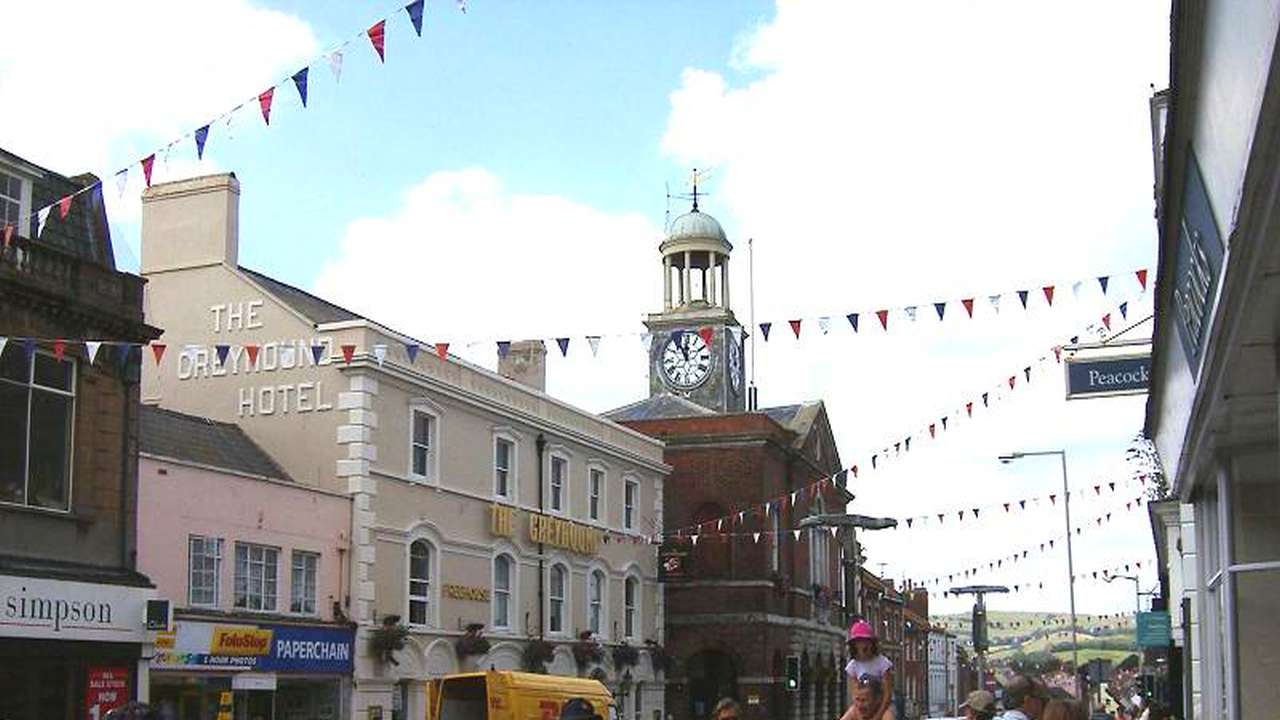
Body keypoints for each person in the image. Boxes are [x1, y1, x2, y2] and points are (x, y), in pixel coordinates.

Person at [838, 620, 894, 720]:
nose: (863, 644)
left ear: (872, 643)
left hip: (882, 705)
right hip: (861, 705)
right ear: (854, 644)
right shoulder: (853, 666)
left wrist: (877, 716)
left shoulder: (883, 664)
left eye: (866, 641)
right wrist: (860, 715)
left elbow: (887, 694)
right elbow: (855, 694)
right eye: (859, 641)